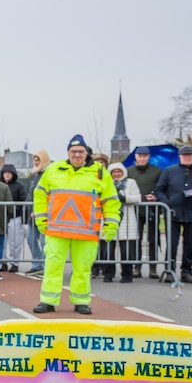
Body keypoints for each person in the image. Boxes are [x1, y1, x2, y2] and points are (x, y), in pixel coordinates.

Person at [31, 135, 119, 315]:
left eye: (80, 151)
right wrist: (41, 219)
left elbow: (111, 201)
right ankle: (48, 301)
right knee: (52, 266)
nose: (77, 155)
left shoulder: (101, 173)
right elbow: (39, 194)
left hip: (86, 232)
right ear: (68, 153)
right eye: (73, 151)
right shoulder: (54, 169)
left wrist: (111, 225)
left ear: (87, 153)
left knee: (82, 268)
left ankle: (81, 301)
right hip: (56, 229)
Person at [152, 145, 192, 284]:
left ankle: (186, 271)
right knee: (172, 244)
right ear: (180, 156)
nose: (187, 158)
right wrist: (167, 202)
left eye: (189, 155)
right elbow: (158, 190)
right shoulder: (169, 171)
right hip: (173, 211)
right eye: (184, 155)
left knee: (189, 244)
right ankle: (170, 270)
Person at [126, 146, 163, 279]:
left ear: (148, 157)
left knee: (153, 239)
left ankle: (153, 267)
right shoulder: (128, 171)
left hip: (152, 210)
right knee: (136, 239)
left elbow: (161, 187)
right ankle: (137, 267)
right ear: (135, 157)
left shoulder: (157, 171)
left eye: (145, 156)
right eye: (140, 156)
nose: (142, 158)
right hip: (134, 210)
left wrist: (156, 196)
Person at [104, 163, 141, 283]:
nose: (116, 174)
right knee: (109, 250)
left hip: (127, 218)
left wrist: (125, 197)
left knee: (127, 250)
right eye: (113, 172)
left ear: (123, 172)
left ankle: (127, 274)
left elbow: (137, 198)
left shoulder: (131, 182)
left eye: (118, 171)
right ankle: (108, 274)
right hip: (110, 218)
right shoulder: (106, 183)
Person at [24, 150, 50, 277]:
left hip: (44, 215)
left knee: (45, 242)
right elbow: (31, 194)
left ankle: (47, 266)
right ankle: (37, 264)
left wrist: (38, 210)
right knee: (30, 239)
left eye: (38, 160)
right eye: (34, 160)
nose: (35, 162)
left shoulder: (48, 174)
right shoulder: (34, 175)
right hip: (32, 215)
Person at [0, 163, 28, 273]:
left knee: (15, 242)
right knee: (1, 242)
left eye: (9, 173)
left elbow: (24, 200)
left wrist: (19, 212)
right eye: (5, 173)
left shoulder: (19, 186)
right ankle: (3, 262)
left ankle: (15, 263)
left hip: (15, 218)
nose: (7, 175)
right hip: (1, 218)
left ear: (13, 174)